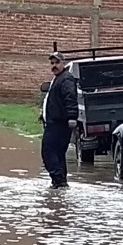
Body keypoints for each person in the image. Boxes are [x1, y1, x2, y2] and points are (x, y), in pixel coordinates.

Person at [40, 51, 78, 188]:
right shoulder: (58, 78)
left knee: (48, 151)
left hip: (59, 124)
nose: (54, 65)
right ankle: (60, 182)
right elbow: (55, 100)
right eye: (52, 63)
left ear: (63, 64)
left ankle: (58, 179)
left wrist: (72, 117)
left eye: (57, 63)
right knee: (58, 153)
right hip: (54, 122)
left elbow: (70, 98)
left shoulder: (66, 79)